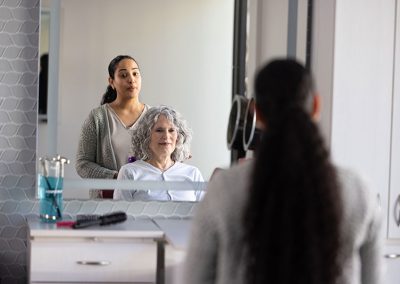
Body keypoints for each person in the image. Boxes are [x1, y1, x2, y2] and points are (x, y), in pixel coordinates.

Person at [184, 59, 382, 284]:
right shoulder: (358, 191)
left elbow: (195, 279)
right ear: (316, 105)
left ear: (256, 112)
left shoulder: (225, 190)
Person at [75, 55, 149, 180]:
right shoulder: (97, 117)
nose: (131, 79)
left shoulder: (155, 117)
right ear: (111, 82)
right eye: (124, 75)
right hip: (107, 197)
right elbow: (82, 164)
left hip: (146, 197)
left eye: (135, 73)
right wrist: (117, 177)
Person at [114, 105, 204, 201]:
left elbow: (207, 213)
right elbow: (120, 213)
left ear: (178, 137)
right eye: (159, 130)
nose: (166, 136)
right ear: (146, 136)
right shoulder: (129, 172)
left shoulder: (193, 173)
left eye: (171, 130)